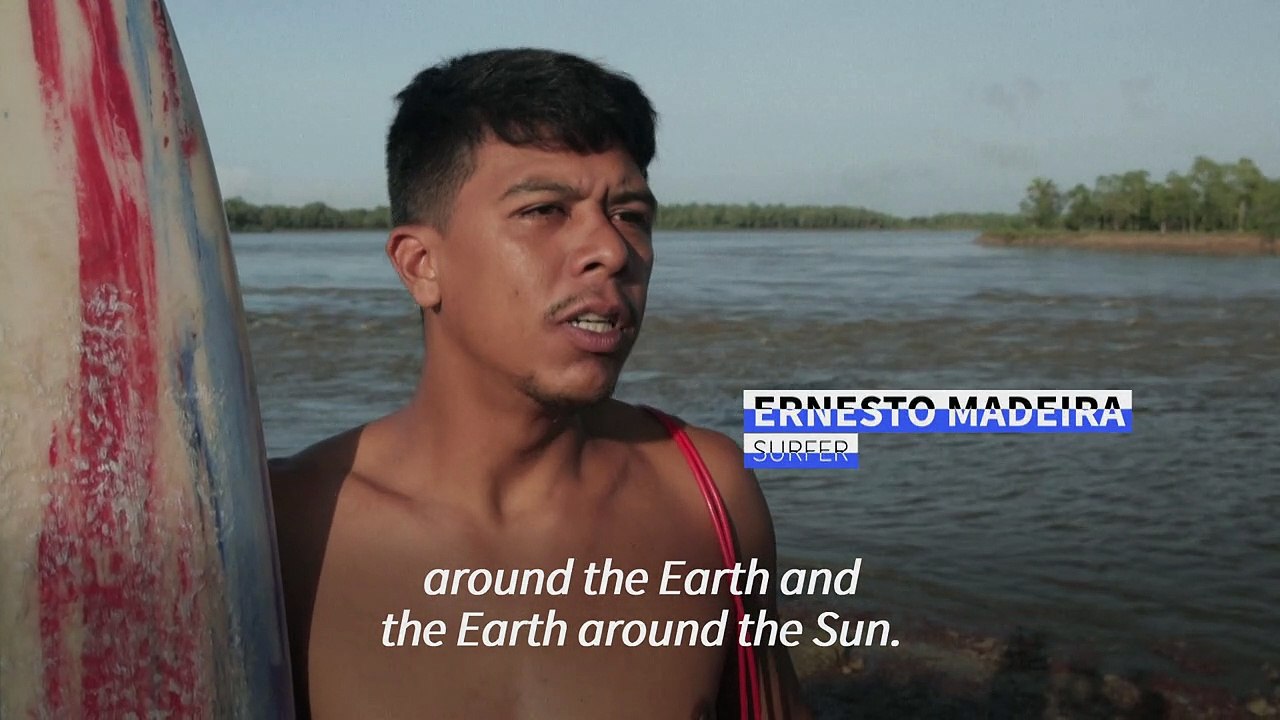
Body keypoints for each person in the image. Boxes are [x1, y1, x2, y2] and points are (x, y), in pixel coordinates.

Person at [269, 48, 811, 720]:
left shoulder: (707, 497)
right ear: (420, 265)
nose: (613, 250)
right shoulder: (281, 532)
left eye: (632, 215)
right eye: (545, 210)